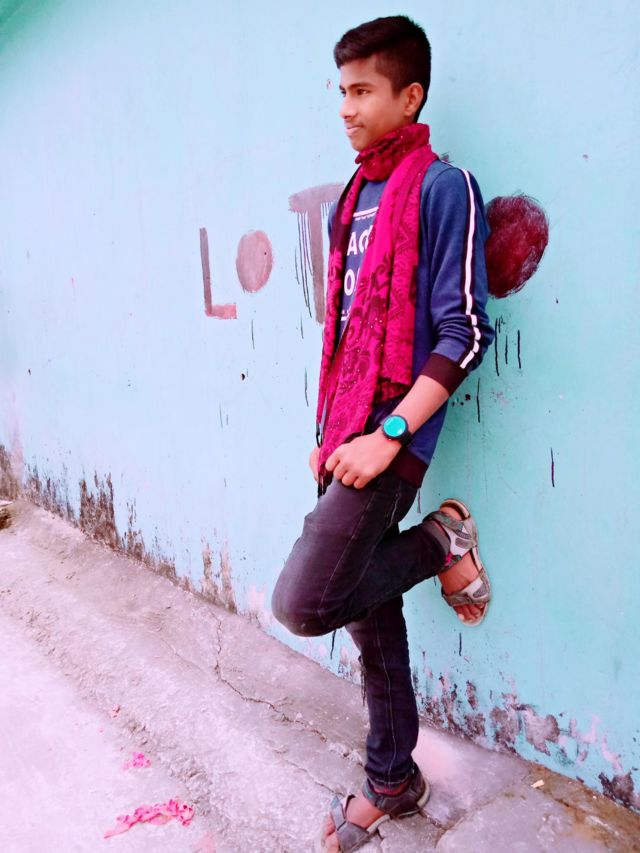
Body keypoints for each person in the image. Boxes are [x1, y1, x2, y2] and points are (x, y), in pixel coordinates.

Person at [272, 15, 495, 853]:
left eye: (362, 90)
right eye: (342, 90)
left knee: (306, 602)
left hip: (390, 440)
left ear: (410, 96)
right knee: (370, 611)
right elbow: (340, 328)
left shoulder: (444, 188)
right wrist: (328, 428)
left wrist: (390, 434)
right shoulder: (353, 199)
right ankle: (393, 777)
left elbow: (465, 331)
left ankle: (441, 539)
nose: (345, 108)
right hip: (345, 432)